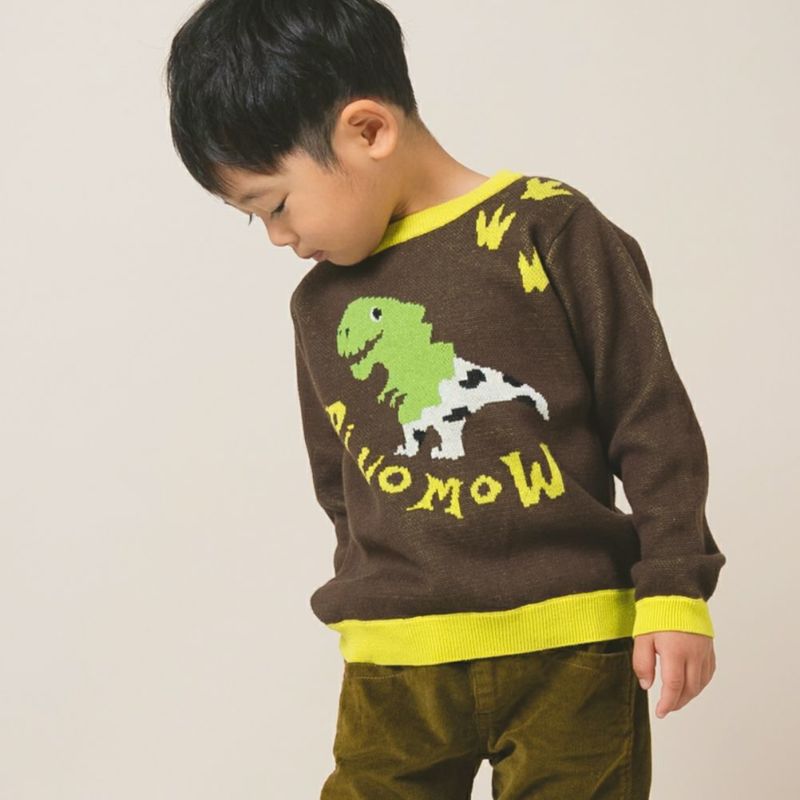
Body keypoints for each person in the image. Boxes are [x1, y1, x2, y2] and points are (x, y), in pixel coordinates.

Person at [165, 1, 727, 797]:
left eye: (276, 204)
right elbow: (341, 483)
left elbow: (652, 417)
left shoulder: (547, 227)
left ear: (367, 130)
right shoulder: (318, 307)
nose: (279, 239)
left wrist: (674, 585)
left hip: (570, 648)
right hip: (397, 666)